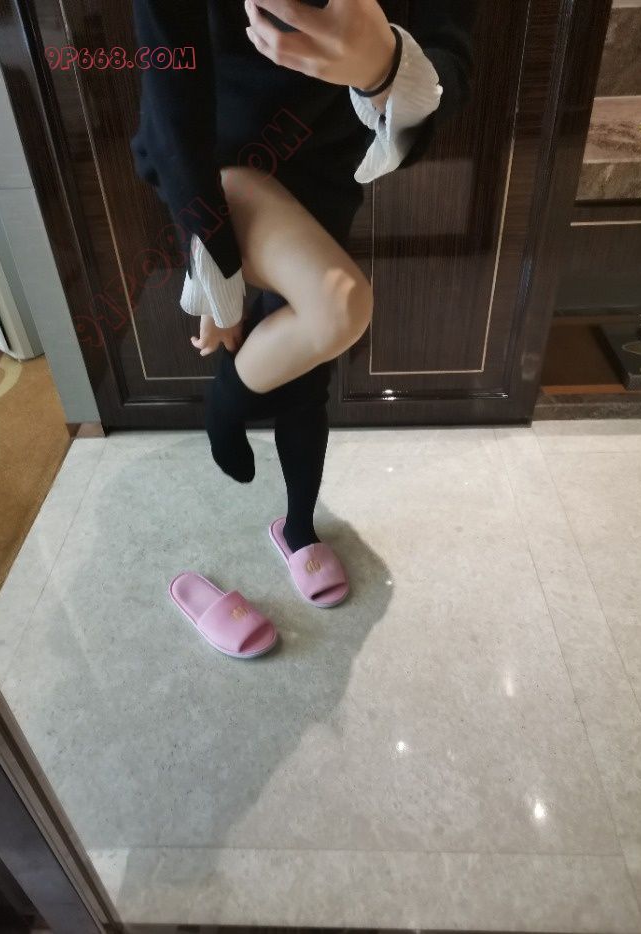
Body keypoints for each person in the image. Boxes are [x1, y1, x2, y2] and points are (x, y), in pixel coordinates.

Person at [130, 0, 475, 583]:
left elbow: (451, 57)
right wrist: (214, 261)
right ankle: (228, 400)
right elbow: (170, 83)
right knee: (338, 307)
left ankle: (298, 529)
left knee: (309, 371)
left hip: (330, 164)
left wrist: (385, 68)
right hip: (224, 162)